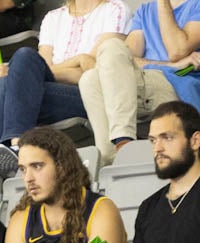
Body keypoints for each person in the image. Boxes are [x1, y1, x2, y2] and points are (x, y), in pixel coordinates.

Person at [0, 0, 130, 159]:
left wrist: (22, 75)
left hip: (89, 95)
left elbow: (94, 70)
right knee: (20, 62)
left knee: (10, 81)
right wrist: (78, 60)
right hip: (48, 93)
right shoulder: (53, 17)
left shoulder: (115, 9)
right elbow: (41, 68)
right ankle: (15, 145)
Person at [2, 126, 125, 243]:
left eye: (37, 166)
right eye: (23, 169)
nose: (28, 178)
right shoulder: (22, 217)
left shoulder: (101, 210)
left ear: (62, 167)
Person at [78, 0, 193, 164]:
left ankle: (124, 141)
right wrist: (171, 64)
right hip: (142, 84)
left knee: (110, 47)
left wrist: (163, 2)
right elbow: (127, 58)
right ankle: (111, 159)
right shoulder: (145, 10)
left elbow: (177, 51)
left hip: (175, 83)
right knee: (89, 78)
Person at [116, 102, 200, 243]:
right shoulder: (149, 206)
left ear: (195, 141)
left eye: (167, 138)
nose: (157, 148)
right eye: (153, 140)